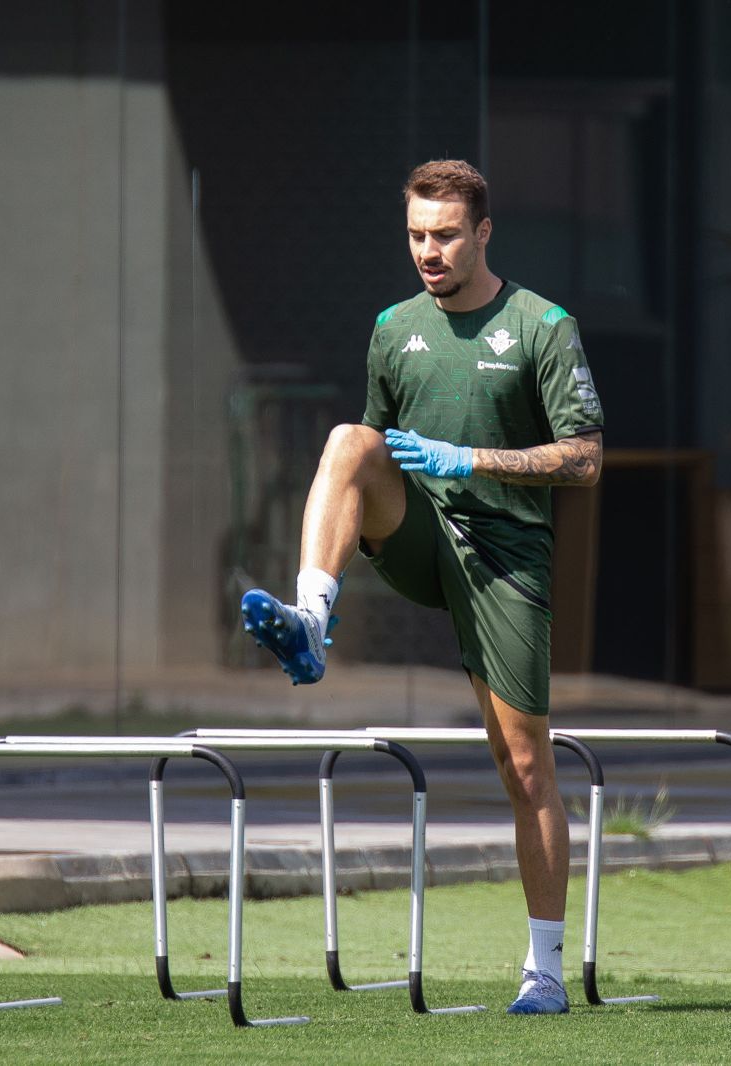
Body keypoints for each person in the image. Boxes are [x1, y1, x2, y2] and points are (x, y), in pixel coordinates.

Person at [240, 159, 604, 1015]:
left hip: (504, 554)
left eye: (444, 235)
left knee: (524, 765)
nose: (428, 251)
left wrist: (470, 458)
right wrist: (400, 471)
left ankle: (544, 968)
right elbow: (368, 458)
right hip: (415, 535)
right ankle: (310, 621)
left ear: (483, 233)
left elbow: (586, 458)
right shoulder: (392, 327)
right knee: (347, 441)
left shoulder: (544, 325)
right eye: (415, 235)